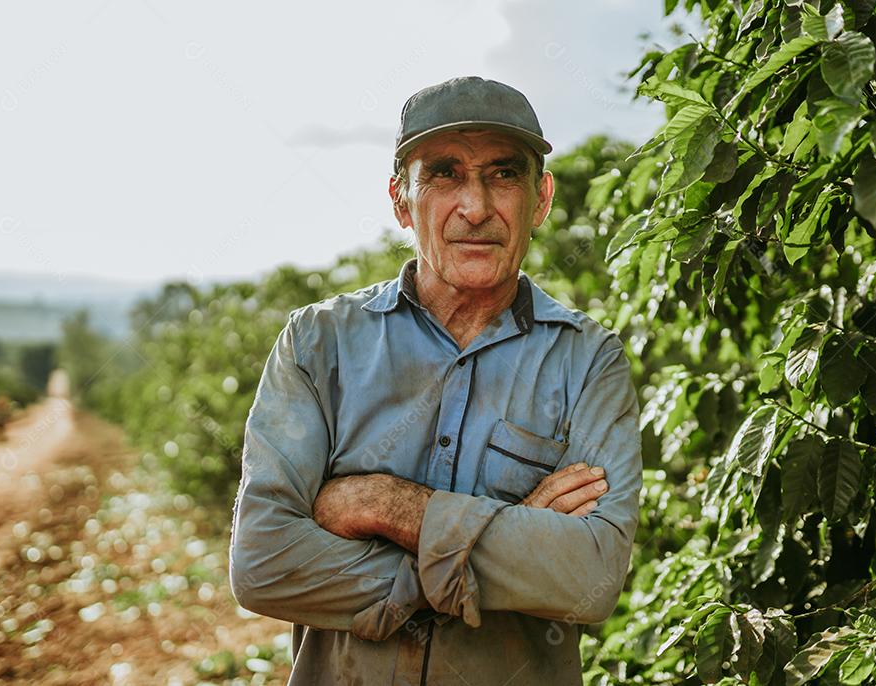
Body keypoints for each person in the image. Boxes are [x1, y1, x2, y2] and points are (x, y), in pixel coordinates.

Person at [228, 75, 642, 685]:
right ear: (401, 199)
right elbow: (263, 563)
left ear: (542, 197)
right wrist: (509, 538)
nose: (475, 208)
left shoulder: (588, 361)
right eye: (444, 173)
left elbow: (591, 579)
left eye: (503, 174)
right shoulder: (320, 344)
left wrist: (386, 506)